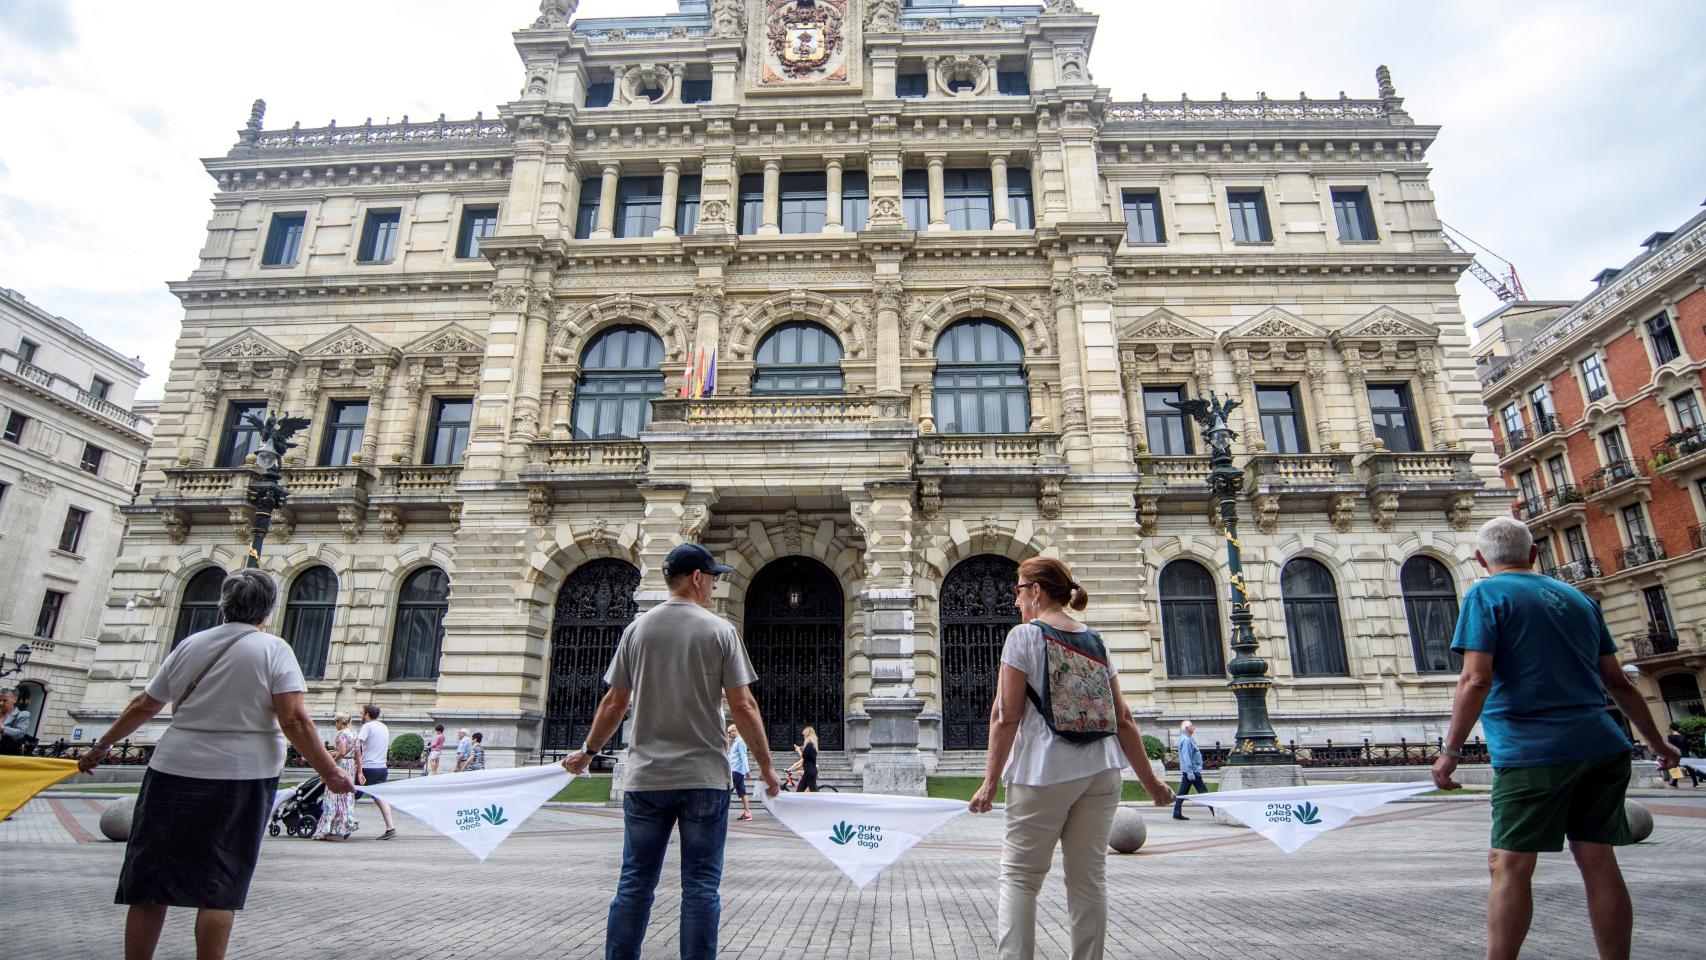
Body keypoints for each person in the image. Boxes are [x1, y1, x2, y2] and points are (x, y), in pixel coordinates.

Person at [1433, 517, 1680, 960]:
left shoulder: (1486, 593)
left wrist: (1450, 751)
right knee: (1599, 862)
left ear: (1480, 559)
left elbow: (1475, 679)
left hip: (1532, 751)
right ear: (1533, 555)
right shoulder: (1579, 600)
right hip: (1602, 747)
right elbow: (1619, 684)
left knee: (1508, 865)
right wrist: (1660, 746)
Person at [75, 568, 353, 960]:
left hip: (173, 770)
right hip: (243, 777)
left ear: (223, 604)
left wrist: (101, 745)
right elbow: (293, 719)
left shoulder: (191, 645)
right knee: (220, 885)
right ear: (268, 610)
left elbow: (144, 705)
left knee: (150, 883)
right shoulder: (273, 650)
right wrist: (330, 771)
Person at [561, 542, 780, 960]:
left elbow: (614, 703)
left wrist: (588, 752)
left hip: (646, 777)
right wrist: (767, 768)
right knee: (700, 887)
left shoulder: (637, 630)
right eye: (713, 578)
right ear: (697, 578)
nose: (715, 586)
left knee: (634, 884)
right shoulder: (720, 631)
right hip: (703, 779)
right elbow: (743, 706)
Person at [970, 556, 1176, 960]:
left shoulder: (1023, 637)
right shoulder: (1095, 640)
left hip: (1044, 772)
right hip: (1101, 772)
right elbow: (1124, 719)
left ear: (1036, 591)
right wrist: (1151, 782)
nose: (1015, 601)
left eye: (1017, 590)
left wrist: (990, 781)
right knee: (1088, 882)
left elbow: (1005, 715)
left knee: (1020, 879)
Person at [353, 705, 397, 841]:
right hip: (381, 768)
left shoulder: (367, 727)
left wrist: (358, 769)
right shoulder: (383, 727)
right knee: (379, 797)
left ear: (367, 714)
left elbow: (357, 747)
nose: (361, 716)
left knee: (351, 794)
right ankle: (390, 827)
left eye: (362, 713)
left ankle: (344, 823)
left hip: (367, 767)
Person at [315, 713, 360, 840]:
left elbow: (341, 752)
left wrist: (332, 762)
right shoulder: (354, 733)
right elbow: (358, 754)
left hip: (341, 764)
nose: (335, 725)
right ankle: (344, 825)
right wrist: (360, 771)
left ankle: (327, 830)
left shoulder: (341, 734)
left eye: (336, 722)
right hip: (351, 765)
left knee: (332, 795)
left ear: (341, 722)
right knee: (346, 797)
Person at [1172, 720, 1210, 821]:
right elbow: (1186, 757)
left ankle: (1176, 812)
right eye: (1191, 726)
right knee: (1205, 793)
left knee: (1182, 793)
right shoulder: (1186, 740)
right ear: (1186, 728)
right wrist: (1190, 773)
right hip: (1192, 772)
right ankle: (1215, 811)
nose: (1193, 728)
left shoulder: (1188, 739)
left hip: (1189, 772)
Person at [726, 724, 753, 821]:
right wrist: (729, 742)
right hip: (736, 770)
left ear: (734, 730)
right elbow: (730, 755)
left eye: (729, 732)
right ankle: (747, 813)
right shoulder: (735, 741)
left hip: (736, 770)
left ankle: (722, 812)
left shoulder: (741, 741)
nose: (728, 735)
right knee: (742, 792)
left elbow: (743, 756)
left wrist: (747, 771)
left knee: (727, 791)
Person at [1666, 722, 1700, 788]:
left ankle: (1674, 783)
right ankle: (1695, 783)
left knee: (1675, 768)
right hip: (1685, 753)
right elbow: (1686, 746)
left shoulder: (1670, 736)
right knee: (1690, 769)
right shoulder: (1682, 736)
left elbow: (1672, 746)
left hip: (1677, 754)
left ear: (1671, 729)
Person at [788, 726, 820, 793]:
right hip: (808, 771)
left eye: (804, 735)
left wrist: (798, 750)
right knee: (800, 791)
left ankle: (819, 803)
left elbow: (804, 757)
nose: (804, 737)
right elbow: (806, 759)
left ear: (808, 734)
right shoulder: (812, 745)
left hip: (809, 771)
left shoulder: (810, 744)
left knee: (814, 792)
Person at [0, 688, 31, 755]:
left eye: (5, 700)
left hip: (7, 755)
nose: (1, 703)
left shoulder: (22, 715)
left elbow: (20, 734)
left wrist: (2, 728)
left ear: (15, 700)